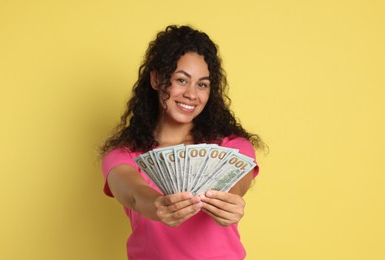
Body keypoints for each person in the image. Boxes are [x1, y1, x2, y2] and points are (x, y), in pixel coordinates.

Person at [100, 25, 265, 260]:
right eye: (181, 80)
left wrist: (228, 202)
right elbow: (135, 195)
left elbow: (236, 185)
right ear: (157, 80)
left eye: (202, 84)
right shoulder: (122, 155)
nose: (191, 94)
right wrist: (159, 205)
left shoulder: (233, 147)